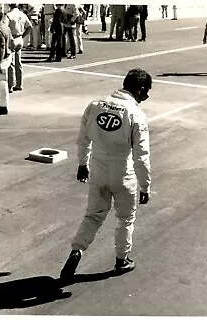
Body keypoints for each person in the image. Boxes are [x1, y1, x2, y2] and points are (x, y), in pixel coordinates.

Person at [60, 68, 152, 278]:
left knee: (93, 215)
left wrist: (82, 164)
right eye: (146, 92)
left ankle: (77, 250)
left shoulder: (95, 105)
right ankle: (122, 260)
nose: (146, 97)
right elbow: (141, 155)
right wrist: (145, 186)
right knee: (126, 219)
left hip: (98, 171)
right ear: (139, 89)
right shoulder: (136, 114)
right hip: (123, 173)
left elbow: (83, 139)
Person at [4, 4, 32, 92]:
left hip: (12, 38)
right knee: (18, 62)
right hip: (19, 38)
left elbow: (5, 28)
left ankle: (10, 85)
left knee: (10, 63)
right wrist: (23, 35)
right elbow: (29, 26)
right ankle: (19, 84)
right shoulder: (22, 14)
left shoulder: (8, 15)